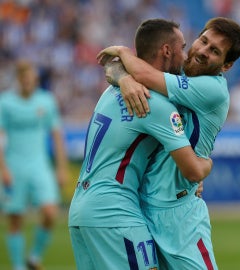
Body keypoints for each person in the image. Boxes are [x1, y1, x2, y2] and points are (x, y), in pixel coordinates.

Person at [97, 16, 240, 269]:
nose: (201, 51)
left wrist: (123, 51)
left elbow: (139, 71)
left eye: (214, 51)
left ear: (227, 65)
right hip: (141, 207)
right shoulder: (174, 74)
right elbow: (113, 68)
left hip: (180, 213)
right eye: (203, 41)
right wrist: (124, 79)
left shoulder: (213, 89)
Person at [68, 19, 213, 270]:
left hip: (81, 211)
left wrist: (122, 76)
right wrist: (206, 165)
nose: (186, 54)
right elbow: (191, 170)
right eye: (183, 47)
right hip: (116, 212)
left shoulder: (114, 89)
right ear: (167, 50)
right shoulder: (152, 102)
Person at [0, 59, 68, 270]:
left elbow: (56, 135)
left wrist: (61, 167)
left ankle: (34, 257)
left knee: (50, 212)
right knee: (15, 218)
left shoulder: (46, 101)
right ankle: (19, 265)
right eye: (25, 79)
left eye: (31, 79)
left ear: (35, 79)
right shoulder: (6, 102)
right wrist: (3, 169)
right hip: (14, 165)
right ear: (19, 80)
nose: (29, 83)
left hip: (40, 165)